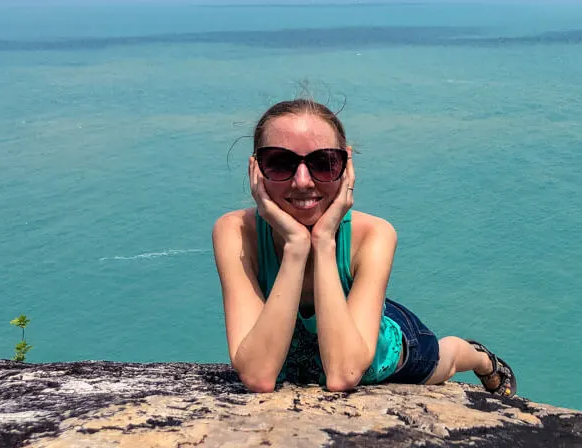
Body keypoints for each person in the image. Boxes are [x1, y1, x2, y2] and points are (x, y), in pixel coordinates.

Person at [212, 98, 517, 396]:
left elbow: (343, 374)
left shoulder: (375, 234)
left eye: (324, 163)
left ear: (345, 167)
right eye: (280, 163)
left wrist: (324, 241)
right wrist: (296, 245)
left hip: (382, 348)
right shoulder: (236, 232)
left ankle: (478, 356)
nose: (302, 181)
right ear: (256, 169)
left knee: (444, 361)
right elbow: (258, 375)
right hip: (331, 332)